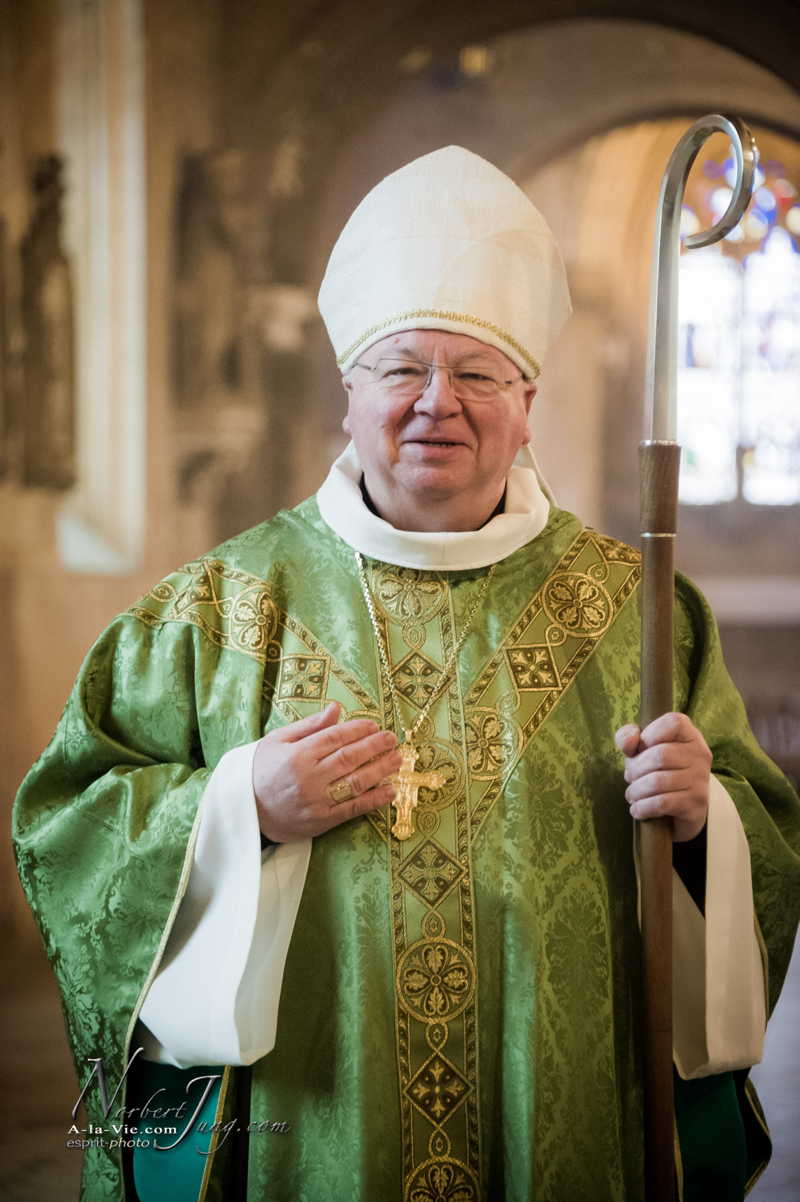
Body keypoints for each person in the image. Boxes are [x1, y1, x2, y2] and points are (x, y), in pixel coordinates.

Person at [13, 146, 800, 1202]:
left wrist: (703, 819)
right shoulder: (218, 608)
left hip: (561, 1120)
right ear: (349, 393)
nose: (437, 402)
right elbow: (68, 820)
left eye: (475, 373)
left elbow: (764, 826)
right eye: (401, 368)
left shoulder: (638, 613)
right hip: (311, 1116)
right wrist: (239, 804)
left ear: (525, 400)